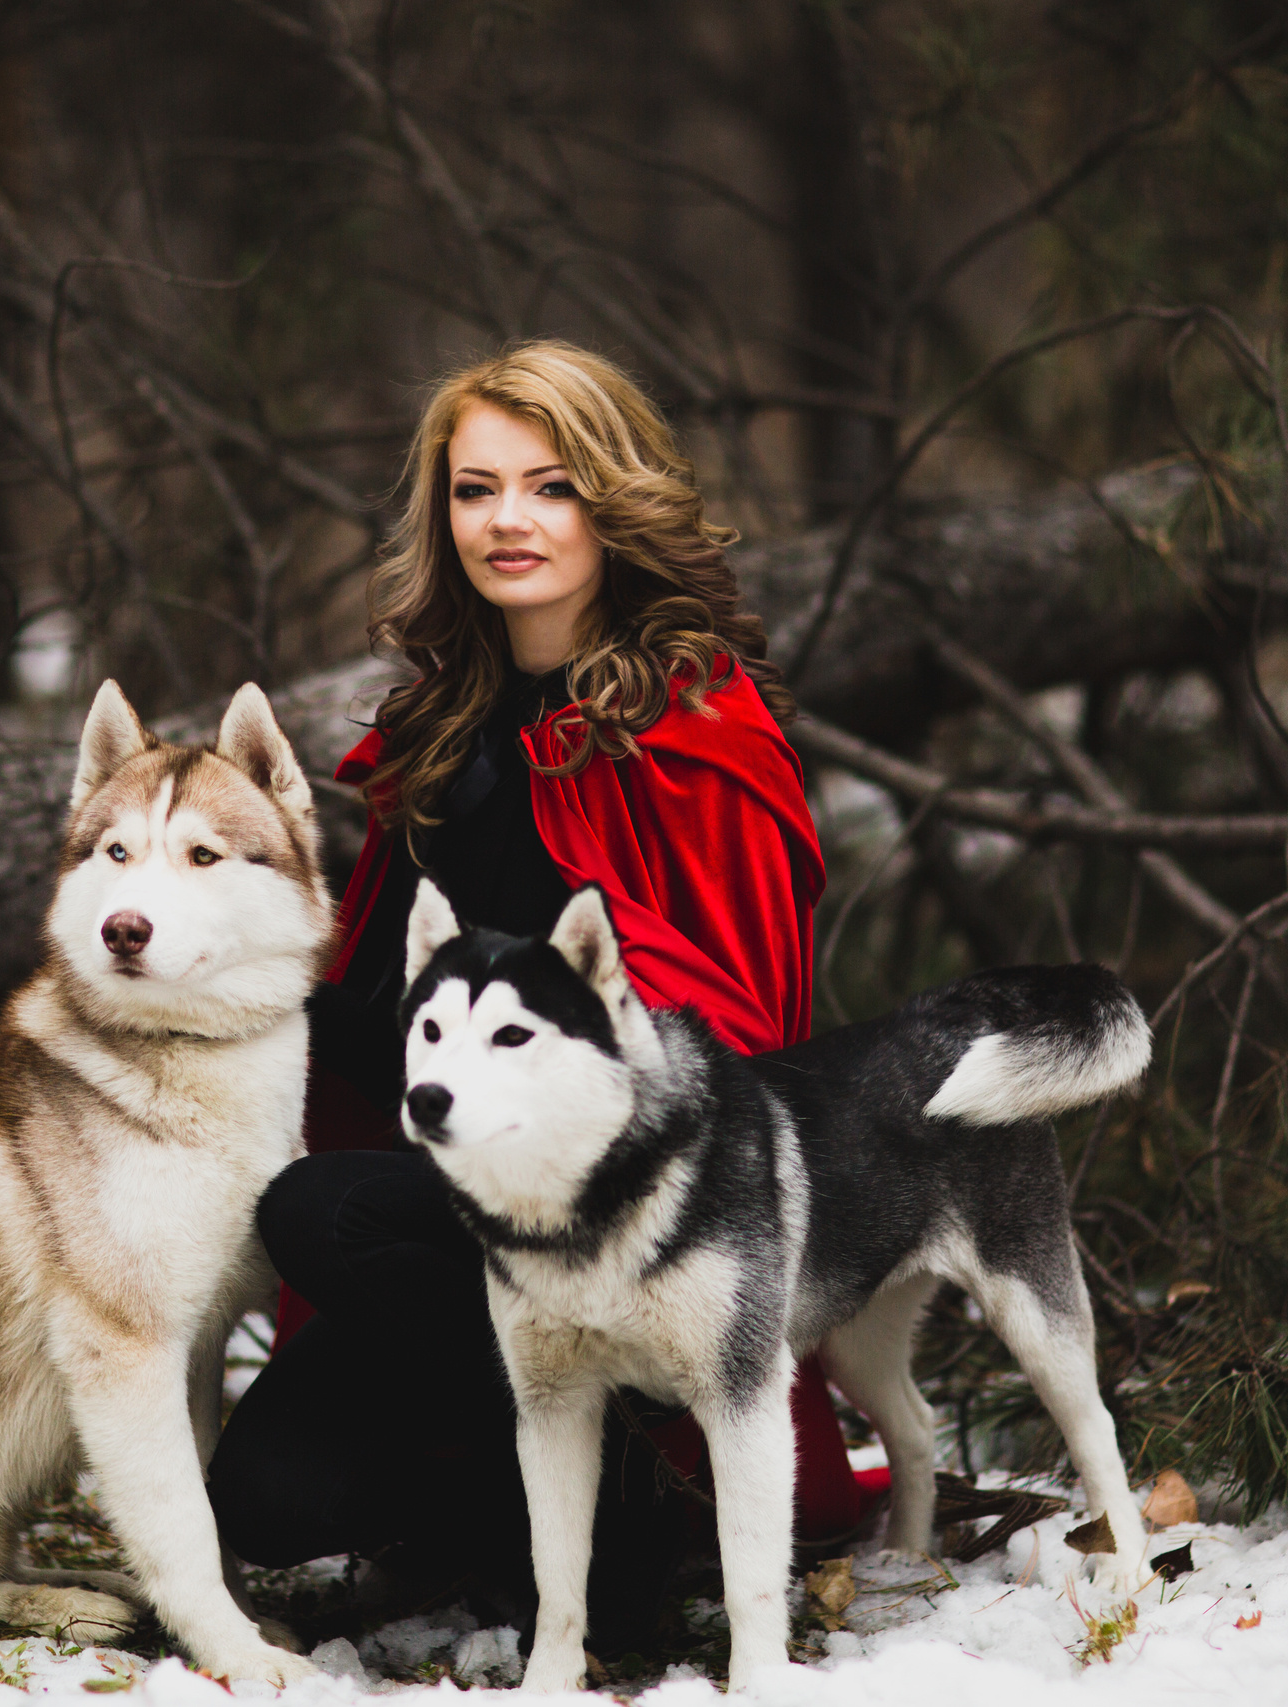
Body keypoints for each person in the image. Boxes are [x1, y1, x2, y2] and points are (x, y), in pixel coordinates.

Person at [208, 340, 869, 1651]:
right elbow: (384, 1028)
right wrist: (256, 985)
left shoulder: (697, 725)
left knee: (319, 1211)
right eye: (476, 489)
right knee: (270, 1501)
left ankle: (636, 1507)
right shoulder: (437, 732)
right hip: (453, 1207)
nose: (508, 520)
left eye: (550, 486)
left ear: (613, 502)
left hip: (637, 1219)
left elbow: (734, 1038)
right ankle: (513, 1512)